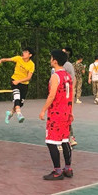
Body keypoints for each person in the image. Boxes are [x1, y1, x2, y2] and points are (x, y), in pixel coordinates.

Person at [39, 50, 74, 180]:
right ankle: (68, 168)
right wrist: (71, 111)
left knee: (51, 142)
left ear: (55, 61)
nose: (50, 60)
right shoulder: (68, 76)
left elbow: (52, 95)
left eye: (51, 58)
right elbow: (71, 95)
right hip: (66, 112)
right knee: (65, 140)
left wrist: (43, 110)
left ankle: (57, 171)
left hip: (56, 113)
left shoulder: (55, 76)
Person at [0, 47, 35, 123]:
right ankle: (19, 114)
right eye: (24, 51)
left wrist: (19, 81)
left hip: (24, 85)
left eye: (26, 52)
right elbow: (8, 59)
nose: (23, 53)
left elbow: (28, 77)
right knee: (17, 98)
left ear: (30, 55)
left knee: (20, 103)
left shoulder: (31, 64)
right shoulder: (18, 58)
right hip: (14, 81)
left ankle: (10, 113)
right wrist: (1, 60)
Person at [61, 47, 78, 146]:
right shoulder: (59, 65)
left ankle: (68, 138)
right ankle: (68, 138)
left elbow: (73, 79)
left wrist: (70, 92)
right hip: (62, 94)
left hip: (64, 95)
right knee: (64, 116)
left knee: (65, 116)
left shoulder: (67, 65)